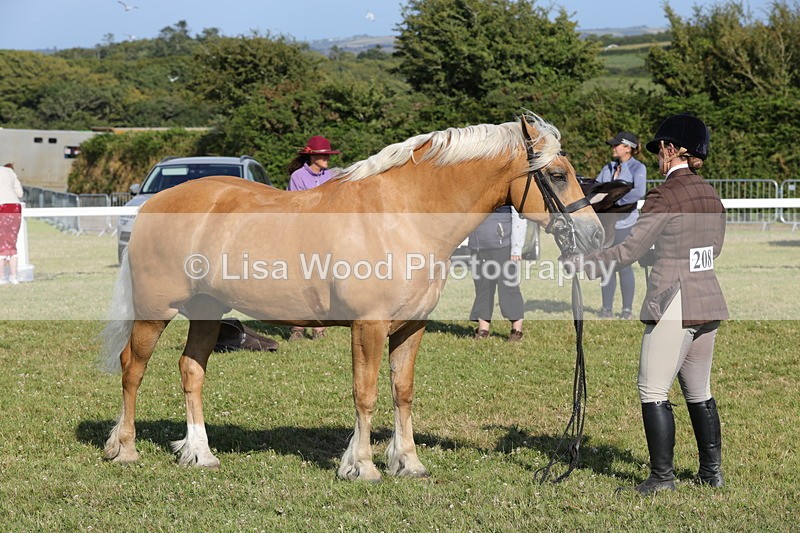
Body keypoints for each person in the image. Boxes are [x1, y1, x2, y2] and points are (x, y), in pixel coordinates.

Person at [570, 113, 728, 494]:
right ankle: (711, 474)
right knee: (699, 392)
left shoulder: (664, 194)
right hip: (708, 300)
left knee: (653, 390)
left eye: (660, 148)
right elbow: (712, 249)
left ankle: (661, 479)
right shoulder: (709, 192)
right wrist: (661, 254)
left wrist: (585, 262)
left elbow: (628, 249)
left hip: (675, 300)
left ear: (673, 150)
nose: (658, 154)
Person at [286, 135, 341, 341]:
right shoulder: (298, 177)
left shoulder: (333, 176)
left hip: (327, 234)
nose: (326, 158)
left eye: (327, 154)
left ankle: (319, 326)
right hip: (303, 233)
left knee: (323, 280)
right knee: (301, 280)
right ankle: (297, 326)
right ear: (311, 157)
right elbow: (296, 207)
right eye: (322, 155)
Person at [595, 132, 647, 319]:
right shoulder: (608, 168)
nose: (613, 147)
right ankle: (606, 308)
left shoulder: (637, 167)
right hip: (606, 226)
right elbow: (597, 188)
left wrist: (614, 202)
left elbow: (639, 192)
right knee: (606, 265)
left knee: (624, 266)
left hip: (626, 224)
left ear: (628, 147)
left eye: (617, 145)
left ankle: (626, 310)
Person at [469, 205, 526, 342]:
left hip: (504, 246)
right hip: (478, 246)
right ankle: (483, 330)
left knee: (508, 287)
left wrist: (516, 248)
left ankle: (516, 331)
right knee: (483, 287)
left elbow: (519, 215)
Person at [0, 163, 24, 285]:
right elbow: (20, 194)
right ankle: (14, 277)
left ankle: (1, 278)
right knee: (11, 245)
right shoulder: (9, 171)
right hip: (14, 208)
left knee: (1, 246)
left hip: (1, 208)